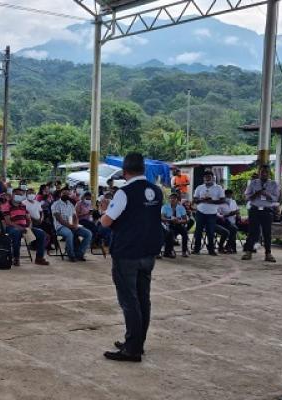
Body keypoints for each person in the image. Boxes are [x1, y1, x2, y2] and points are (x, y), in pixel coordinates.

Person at [100, 152, 163, 362]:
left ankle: (132, 349)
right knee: (143, 298)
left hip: (127, 253)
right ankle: (136, 342)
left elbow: (106, 222)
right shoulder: (156, 191)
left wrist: (103, 210)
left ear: (124, 171)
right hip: (148, 252)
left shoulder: (123, 192)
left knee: (129, 300)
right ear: (144, 169)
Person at [242, 164, 279, 262]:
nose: (264, 174)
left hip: (267, 210)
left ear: (269, 173)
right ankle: (248, 252)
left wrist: (267, 195)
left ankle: (268, 254)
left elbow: (276, 198)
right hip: (254, 209)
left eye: (266, 172)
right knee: (252, 232)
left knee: (267, 233)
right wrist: (256, 193)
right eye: (262, 172)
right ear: (259, 173)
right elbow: (247, 197)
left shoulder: (274, 184)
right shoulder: (253, 183)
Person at [2, 187, 49, 266]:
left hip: (24, 227)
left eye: (21, 195)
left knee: (41, 233)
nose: (19, 196)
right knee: (16, 233)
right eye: (17, 194)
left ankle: (39, 258)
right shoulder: (6, 205)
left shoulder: (23, 205)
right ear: (12, 195)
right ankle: (16, 258)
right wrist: (20, 228)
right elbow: (8, 221)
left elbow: (29, 219)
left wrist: (29, 226)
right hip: (12, 228)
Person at [52, 188, 92, 262]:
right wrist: (71, 226)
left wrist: (75, 224)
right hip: (60, 227)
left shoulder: (70, 204)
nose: (66, 195)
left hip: (72, 225)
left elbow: (75, 216)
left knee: (88, 233)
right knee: (69, 233)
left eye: (68, 194)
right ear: (60, 194)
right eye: (64, 193)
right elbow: (59, 219)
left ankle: (79, 254)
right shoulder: (56, 204)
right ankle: (71, 255)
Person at [192, 170, 224, 256]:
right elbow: (195, 200)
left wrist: (211, 201)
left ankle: (211, 250)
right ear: (203, 178)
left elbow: (222, 200)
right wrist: (201, 199)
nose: (207, 178)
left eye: (209, 177)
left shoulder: (218, 188)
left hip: (212, 213)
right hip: (200, 212)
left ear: (213, 178)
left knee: (211, 232)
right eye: (206, 177)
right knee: (198, 231)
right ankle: (196, 249)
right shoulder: (199, 187)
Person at [162, 193, 189, 258]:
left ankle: (184, 251)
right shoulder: (165, 207)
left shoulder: (181, 207)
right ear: (169, 199)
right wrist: (170, 219)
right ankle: (170, 251)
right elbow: (162, 218)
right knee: (170, 233)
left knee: (185, 233)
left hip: (178, 224)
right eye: (171, 198)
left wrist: (179, 221)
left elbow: (185, 220)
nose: (172, 200)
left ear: (177, 200)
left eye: (174, 198)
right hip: (169, 224)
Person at [217, 189, 239, 254]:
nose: (229, 197)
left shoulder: (233, 202)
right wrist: (228, 215)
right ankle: (229, 247)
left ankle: (228, 246)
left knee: (235, 228)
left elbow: (237, 210)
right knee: (233, 229)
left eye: (230, 195)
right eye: (227, 195)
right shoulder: (220, 203)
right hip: (223, 222)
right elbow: (218, 215)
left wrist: (238, 214)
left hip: (233, 221)